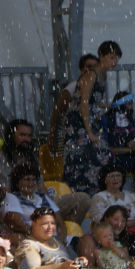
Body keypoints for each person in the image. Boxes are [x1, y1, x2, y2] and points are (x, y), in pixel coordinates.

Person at [0, 119, 90, 225]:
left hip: (40, 201)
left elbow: (41, 187)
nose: (26, 139)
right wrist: (31, 205)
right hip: (18, 205)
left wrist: (50, 206)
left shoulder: (32, 156)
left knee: (82, 199)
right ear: (11, 136)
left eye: (29, 136)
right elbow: (6, 193)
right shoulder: (1, 159)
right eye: (22, 135)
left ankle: (67, 234)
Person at [49, 52, 110, 194]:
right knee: (77, 165)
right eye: (89, 66)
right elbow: (58, 111)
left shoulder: (97, 83)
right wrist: (53, 133)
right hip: (76, 133)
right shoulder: (74, 86)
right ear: (81, 68)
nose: (92, 69)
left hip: (90, 133)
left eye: (95, 66)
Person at [86, 164, 135, 252]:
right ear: (104, 179)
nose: (116, 179)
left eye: (118, 175)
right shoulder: (99, 197)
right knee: (133, 239)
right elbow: (102, 222)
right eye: (112, 176)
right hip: (118, 232)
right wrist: (134, 222)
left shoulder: (132, 195)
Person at [1, 162, 64, 241]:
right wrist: (42, 235)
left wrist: (62, 241)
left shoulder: (43, 197)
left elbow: (60, 223)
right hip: (32, 239)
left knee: (83, 239)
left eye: (33, 179)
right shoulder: (12, 197)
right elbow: (17, 224)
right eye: (27, 179)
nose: (31, 183)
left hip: (54, 239)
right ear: (17, 182)